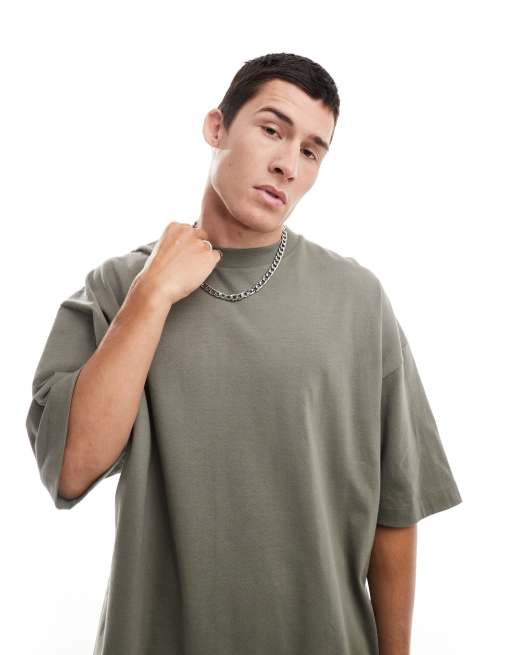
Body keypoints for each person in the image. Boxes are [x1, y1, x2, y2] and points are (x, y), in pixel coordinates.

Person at [26, 52, 462, 655]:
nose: (288, 164)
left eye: (311, 151)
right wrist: (152, 296)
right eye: (272, 130)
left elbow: (396, 510)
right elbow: (71, 469)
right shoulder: (119, 287)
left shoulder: (357, 300)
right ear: (217, 127)